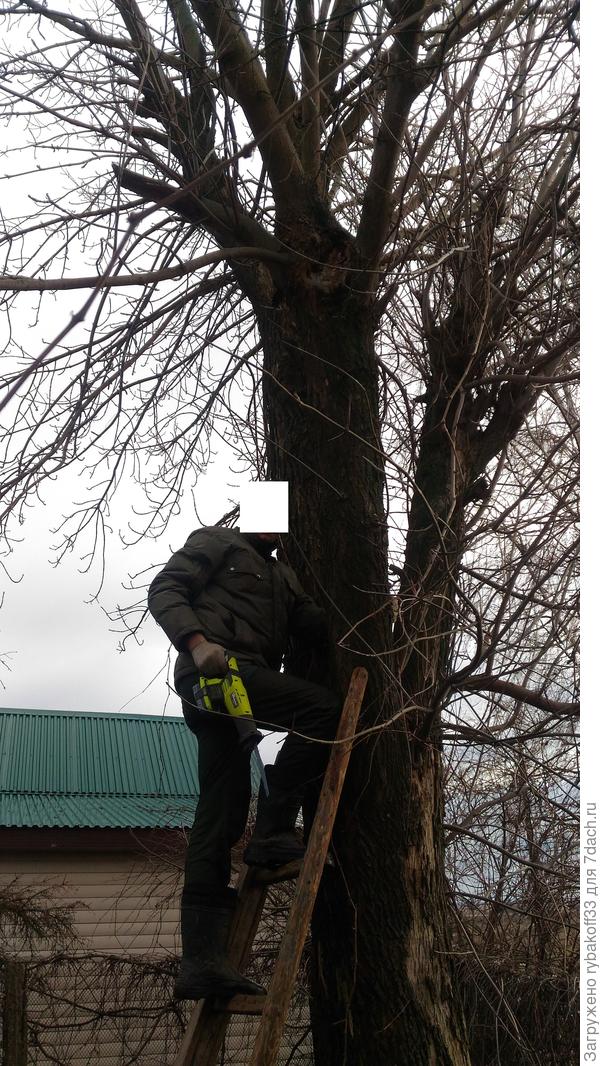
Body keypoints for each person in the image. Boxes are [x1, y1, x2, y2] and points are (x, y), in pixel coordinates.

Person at [147, 524, 341, 1000]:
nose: (274, 526)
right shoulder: (217, 542)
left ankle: (203, 961)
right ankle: (274, 825)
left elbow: (310, 624)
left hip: (244, 684)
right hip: (215, 671)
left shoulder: (283, 576)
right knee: (322, 710)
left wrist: (371, 611)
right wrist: (196, 643)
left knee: (223, 809)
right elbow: (165, 588)